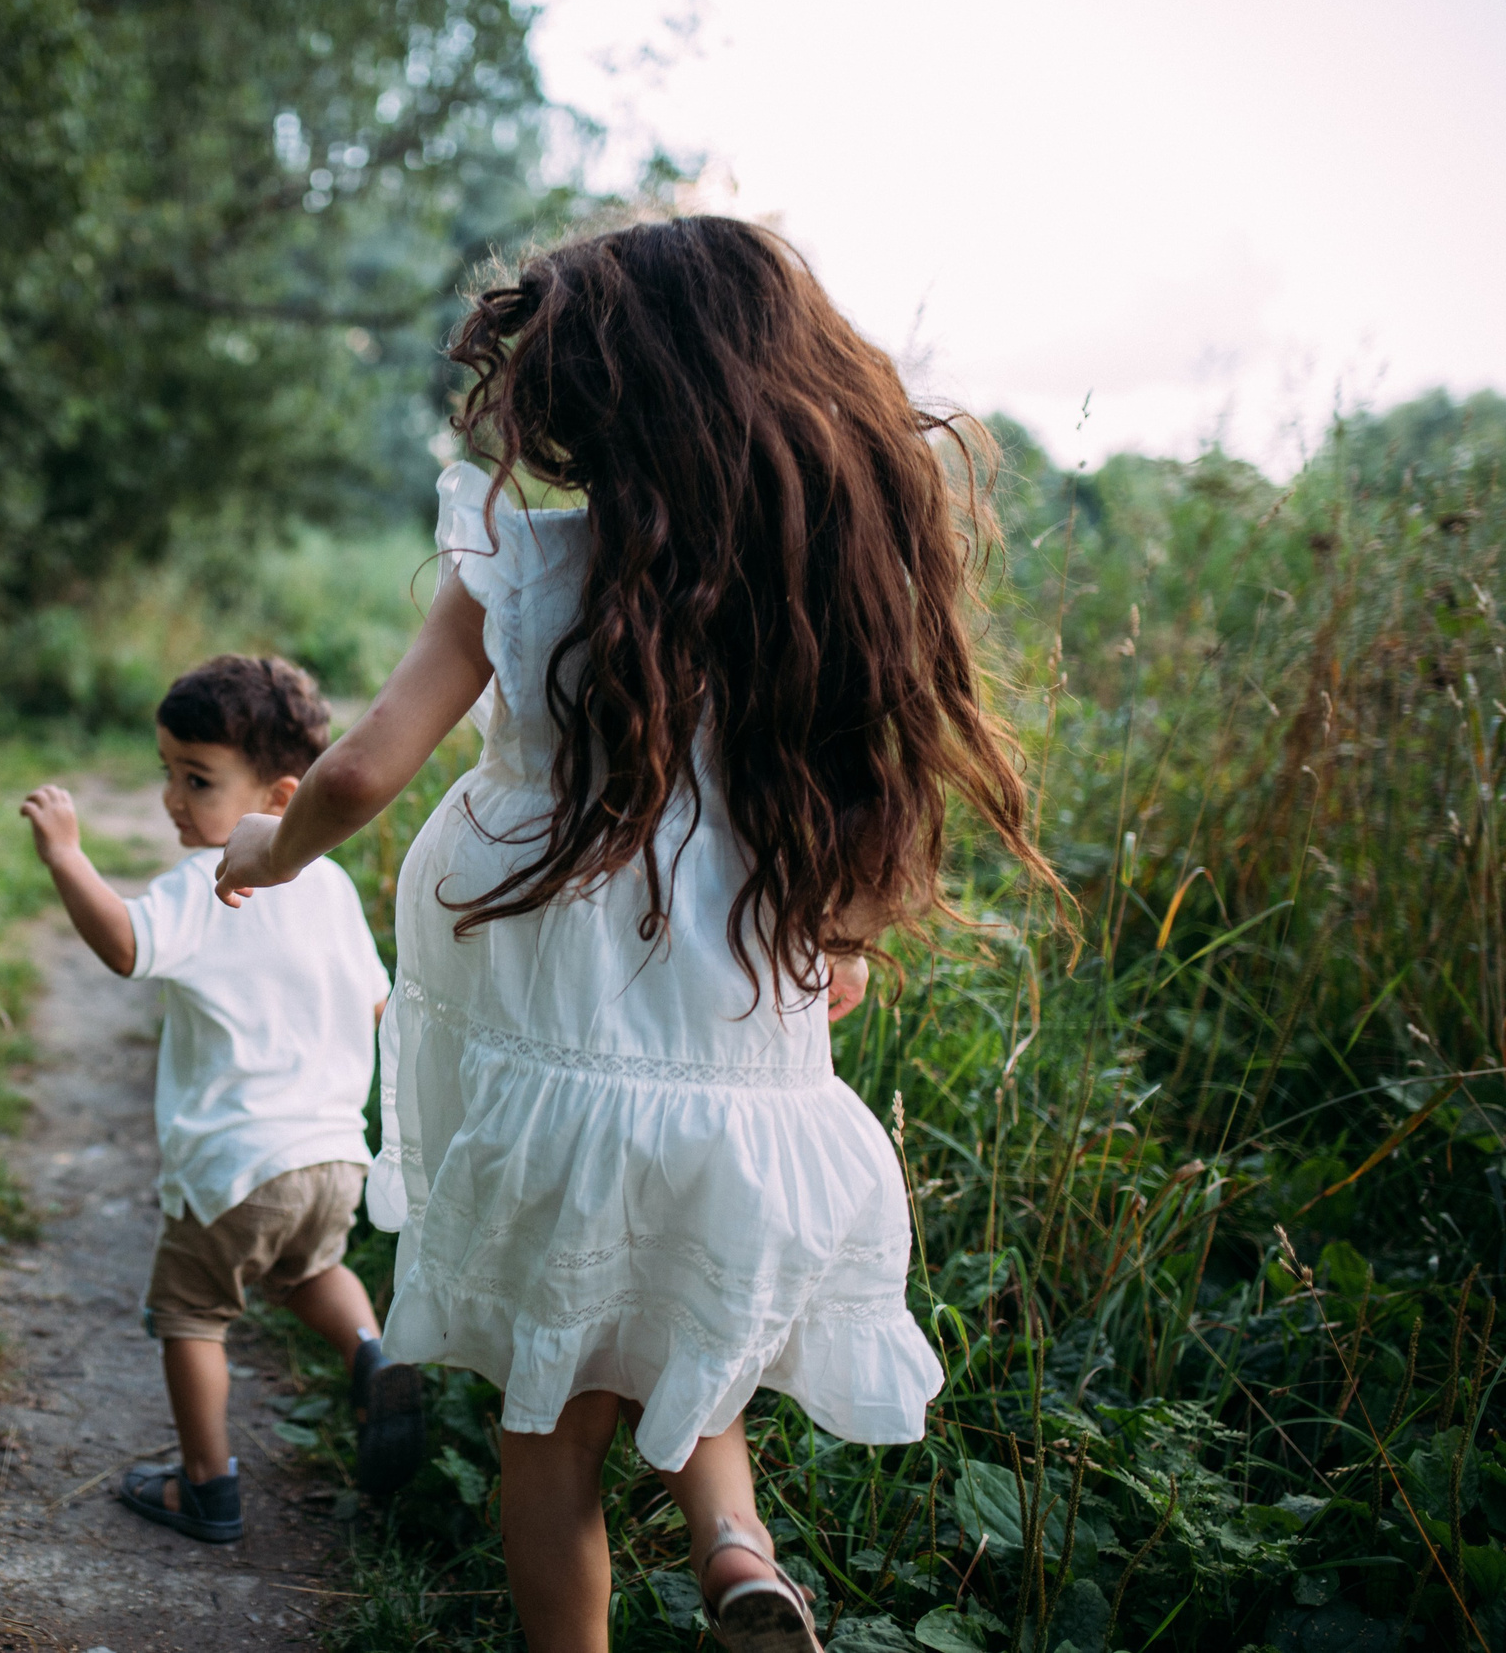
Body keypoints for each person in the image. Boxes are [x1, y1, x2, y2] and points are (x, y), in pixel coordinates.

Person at [214, 218, 1050, 1651]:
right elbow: (843, 782)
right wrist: (838, 932)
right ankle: (734, 1550)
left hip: (551, 1033)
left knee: (555, 1417)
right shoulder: (807, 586)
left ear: (592, 393)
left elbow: (356, 772)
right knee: (685, 1313)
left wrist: (264, 843)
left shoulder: (523, 566)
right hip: (724, 1044)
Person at [19, 654, 426, 1544]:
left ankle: (206, 1484)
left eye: (197, 779)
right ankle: (373, 1353)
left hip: (238, 1162)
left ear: (280, 798)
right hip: (330, 1157)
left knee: (192, 1315)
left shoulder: (211, 882)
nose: (173, 798)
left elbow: (127, 945)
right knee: (311, 1270)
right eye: (167, 772)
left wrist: (66, 856)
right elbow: (379, 1003)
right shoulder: (331, 886)